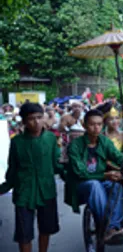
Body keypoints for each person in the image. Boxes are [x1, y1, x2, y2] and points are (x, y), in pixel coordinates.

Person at [0, 103, 65, 252]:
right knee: (24, 232)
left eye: (39, 117)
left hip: (46, 189)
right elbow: (13, 169)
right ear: (23, 121)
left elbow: (56, 164)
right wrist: (4, 187)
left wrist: (71, 175)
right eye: (31, 119)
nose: (36, 122)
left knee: (46, 228)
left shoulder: (50, 138)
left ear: (44, 118)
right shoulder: (17, 142)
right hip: (24, 191)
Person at [65, 109, 123, 245]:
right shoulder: (75, 145)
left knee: (117, 187)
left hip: (101, 181)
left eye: (99, 124)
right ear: (84, 126)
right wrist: (105, 175)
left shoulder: (104, 141)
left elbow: (117, 155)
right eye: (92, 124)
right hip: (81, 185)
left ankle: (113, 226)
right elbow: (80, 173)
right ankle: (107, 227)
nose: (96, 128)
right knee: (94, 184)